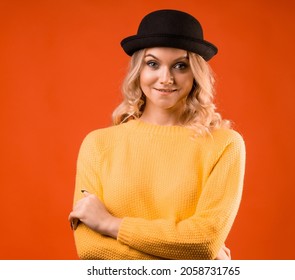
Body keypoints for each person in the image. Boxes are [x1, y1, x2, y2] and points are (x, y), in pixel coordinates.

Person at [68, 9, 246, 260]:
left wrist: (110, 224)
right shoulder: (98, 145)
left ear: (195, 73)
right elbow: (91, 251)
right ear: (138, 71)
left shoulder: (224, 145)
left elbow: (203, 241)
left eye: (180, 66)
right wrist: (194, 261)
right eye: (153, 64)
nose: (166, 78)